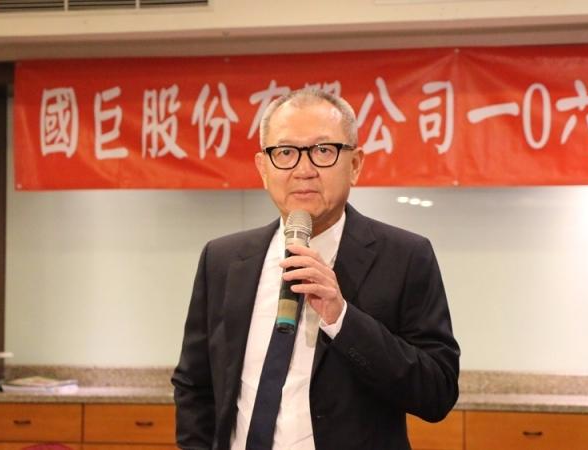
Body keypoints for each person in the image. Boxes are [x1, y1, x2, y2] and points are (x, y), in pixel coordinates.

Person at [172, 87, 460, 450]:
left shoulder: (406, 256)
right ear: (263, 168)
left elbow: (437, 392)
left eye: (323, 151)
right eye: (285, 152)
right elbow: (194, 385)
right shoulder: (223, 260)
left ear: (355, 164)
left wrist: (343, 318)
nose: (304, 170)